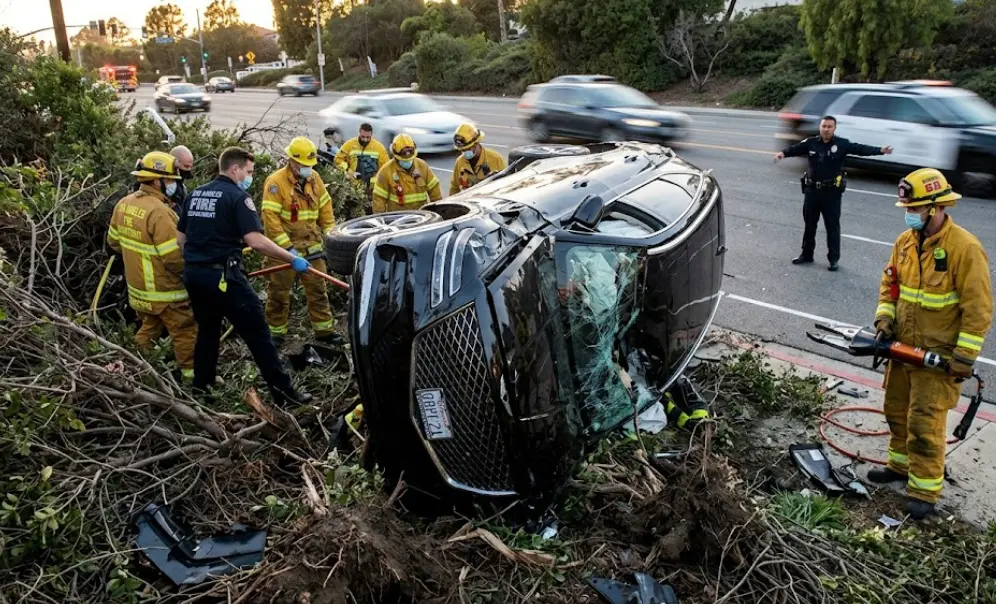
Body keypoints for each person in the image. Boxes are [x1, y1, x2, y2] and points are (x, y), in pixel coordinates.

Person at [868, 168, 993, 520]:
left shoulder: (965, 249)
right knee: (896, 411)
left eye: (915, 208)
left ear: (936, 208)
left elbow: (978, 309)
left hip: (936, 359)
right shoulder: (905, 242)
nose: (909, 214)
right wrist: (884, 322)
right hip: (902, 350)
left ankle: (924, 490)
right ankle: (899, 466)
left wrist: (964, 357)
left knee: (925, 423)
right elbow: (890, 286)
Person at [176, 146, 313, 407]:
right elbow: (256, 241)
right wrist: (290, 258)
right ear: (235, 169)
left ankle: (202, 389)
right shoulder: (237, 198)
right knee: (259, 334)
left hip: (195, 275)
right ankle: (284, 394)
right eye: (249, 172)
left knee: (207, 331)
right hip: (224, 278)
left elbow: (180, 239)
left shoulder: (195, 194)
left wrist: (201, 259)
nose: (250, 177)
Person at [107, 151, 197, 381]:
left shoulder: (124, 204)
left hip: (138, 291)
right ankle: (193, 380)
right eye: (170, 180)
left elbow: (113, 243)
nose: (175, 185)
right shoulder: (160, 212)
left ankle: (134, 369)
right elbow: (174, 257)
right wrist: (193, 273)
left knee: (150, 328)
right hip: (164, 291)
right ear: (157, 181)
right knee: (185, 332)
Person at [774, 115, 894, 271]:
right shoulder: (811, 143)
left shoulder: (841, 144)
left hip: (831, 193)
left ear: (834, 128)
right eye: (824, 126)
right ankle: (807, 254)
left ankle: (833, 259)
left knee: (832, 227)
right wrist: (783, 153)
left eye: (829, 126)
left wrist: (880, 150)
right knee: (810, 225)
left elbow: (860, 149)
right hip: (812, 191)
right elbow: (795, 148)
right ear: (820, 127)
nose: (826, 129)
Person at [260, 136, 341, 346]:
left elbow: (325, 208)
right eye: (303, 164)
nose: (307, 168)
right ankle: (276, 334)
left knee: (318, 291)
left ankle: (324, 331)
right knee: (278, 294)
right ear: (292, 161)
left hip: (312, 247)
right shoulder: (276, 183)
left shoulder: (315, 179)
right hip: (283, 251)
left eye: (310, 164)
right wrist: (288, 249)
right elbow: (270, 220)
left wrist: (330, 234)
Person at [371, 134, 442, 214]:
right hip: (398, 218)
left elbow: (435, 191)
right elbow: (379, 199)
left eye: (410, 159)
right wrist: (381, 218)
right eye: (404, 160)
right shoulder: (386, 171)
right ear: (396, 156)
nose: (408, 162)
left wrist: (439, 211)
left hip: (421, 216)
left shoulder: (422, 166)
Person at [334, 123, 389, 203]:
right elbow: (338, 160)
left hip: (372, 190)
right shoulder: (349, 145)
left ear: (371, 135)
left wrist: (375, 181)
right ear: (359, 133)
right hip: (351, 188)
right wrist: (348, 172)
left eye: (368, 137)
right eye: (363, 137)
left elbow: (386, 168)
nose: (365, 140)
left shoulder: (379, 148)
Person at [450, 123, 506, 195]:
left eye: (468, 149)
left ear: (476, 144)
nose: (465, 153)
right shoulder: (460, 162)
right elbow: (454, 187)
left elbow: (505, 186)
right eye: (462, 150)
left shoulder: (496, 159)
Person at [169, 145, 195, 212]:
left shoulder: (182, 188)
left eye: (190, 167)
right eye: (186, 166)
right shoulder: (160, 187)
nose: (188, 170)